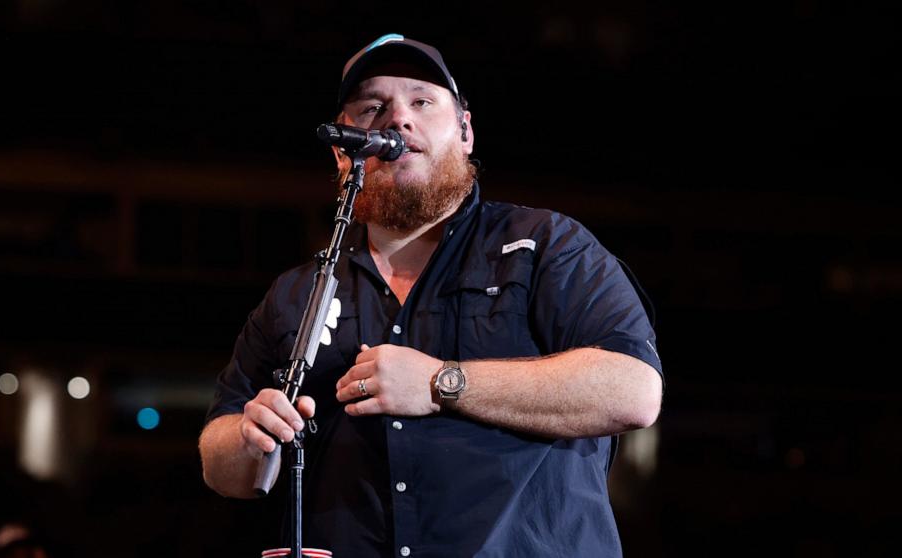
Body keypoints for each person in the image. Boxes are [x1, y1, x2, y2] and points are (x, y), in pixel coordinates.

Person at [199, 33, 663, 557]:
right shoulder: (297, 292)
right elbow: (221, 461)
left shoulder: (547, 246)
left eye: (421, 101)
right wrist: (248, 439)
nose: (397, 119)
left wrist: (443, 382)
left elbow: (633, 390)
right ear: (342, 151)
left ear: (465, 130)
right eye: (372, 107)